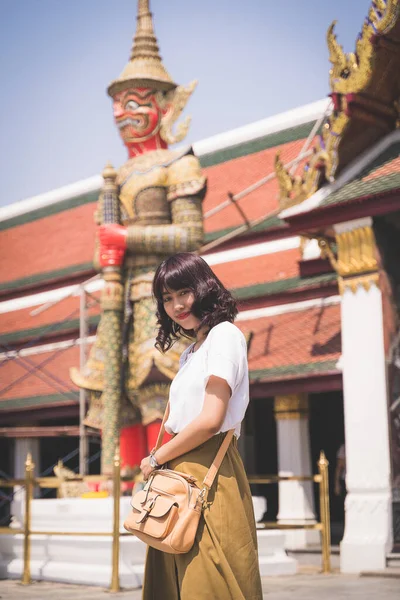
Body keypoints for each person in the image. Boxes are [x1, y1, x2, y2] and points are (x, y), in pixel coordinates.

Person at [139, 252, 263, 600]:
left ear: (204, 288)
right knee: (177, 581)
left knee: (211, 580)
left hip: (209, 470)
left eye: (183, 292)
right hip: (177, 480)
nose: (176, 305)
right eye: (166, 298)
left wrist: (156, 457)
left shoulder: (225, 336)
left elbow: (210, 420)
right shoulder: (191, 351)